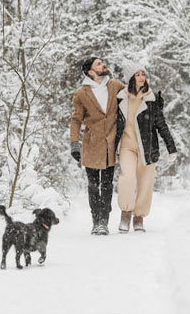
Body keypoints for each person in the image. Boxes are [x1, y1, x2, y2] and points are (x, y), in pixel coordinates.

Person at [116, 62, 177, 233]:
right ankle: (126, 213)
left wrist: (171, 147)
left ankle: (139, 217)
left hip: (148, 148)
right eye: (138, 74)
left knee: (145, 182)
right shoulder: (120, 98)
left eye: (143, 74)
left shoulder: (152, 99)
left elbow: (161, 124)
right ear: (130, 78)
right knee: (127, 178)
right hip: (126, 147)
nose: (142, 77)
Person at [70, 57, 124, 235]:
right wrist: (74, 144)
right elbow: (76, 120)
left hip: (111, 144)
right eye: (98, 64)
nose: (104, 65)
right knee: (93, 185)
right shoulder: (82, 93)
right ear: (91, 72)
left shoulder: (115, 85)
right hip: (91, 144)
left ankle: (104, 222)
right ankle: (95, 221)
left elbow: (133, 96)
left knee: (107, 184)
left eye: (102, 62)